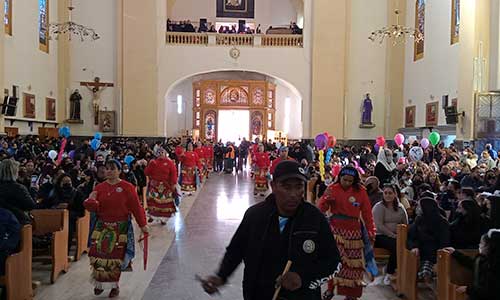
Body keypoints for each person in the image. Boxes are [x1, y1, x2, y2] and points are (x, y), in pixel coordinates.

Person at [200, 160, 341, 299]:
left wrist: (303, 278)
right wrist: (221, 276)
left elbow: (334, 261)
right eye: (286, 187)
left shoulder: (315, 219)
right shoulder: (255, 216)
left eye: (298, 187)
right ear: (273, 186)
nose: (293, 194)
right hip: (258, 293)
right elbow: (236, 250)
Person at [83, 160, 148, 298]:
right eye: (107, 169)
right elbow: (92, 207)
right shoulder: (99, 187)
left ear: (119, 170)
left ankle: (114, 285)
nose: (109, 171)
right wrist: (90, 202)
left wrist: (143, 225)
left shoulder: (127, 187)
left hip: (121, 226)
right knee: (98, 256)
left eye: (113, 169)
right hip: (102, 226)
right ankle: (99, 283)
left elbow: (136, 207)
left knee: (116, 258)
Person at [318, 166, 376, 300]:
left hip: (354, 231)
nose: (347, 183)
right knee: (335, 262)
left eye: (350, 181)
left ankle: (352, 294)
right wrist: (325, 197)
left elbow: (367, 213)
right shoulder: (333, 188)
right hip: (336, 230)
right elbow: (321, 208)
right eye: (345, 180)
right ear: (340, 178)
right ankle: (330, 289)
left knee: (354, 263)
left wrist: (371, 230)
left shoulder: (361, 191)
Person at [442, 229, 500, 300]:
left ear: (490, 246)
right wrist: (455, 253)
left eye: (482, 243)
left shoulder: (494, 266)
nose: (480, 245)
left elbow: (490, 290)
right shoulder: (483, 259)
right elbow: (472, 264)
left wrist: (468, 289)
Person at [372, 184, 408, 285]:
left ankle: (400, 270)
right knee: (396, 245)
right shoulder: (379, 207)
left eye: (390, 193)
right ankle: (390, 272)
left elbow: (405, 222)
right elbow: (379, 225)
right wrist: (392, 235)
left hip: (397, 235)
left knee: (406, 245)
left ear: (395, 194)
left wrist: (402, 234)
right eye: (385, 193)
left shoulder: (400, 207)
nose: (387, 195)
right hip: (379, 236)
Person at [407, 197, 450, 282]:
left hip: (435, 254)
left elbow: (444, 242)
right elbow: (411, 236)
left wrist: (439, 258)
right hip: (421, 252)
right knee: (421, 269)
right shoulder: (419, 219)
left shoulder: (442, 222)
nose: (417, 208)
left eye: (419, 206)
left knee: (427, 270)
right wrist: (414, 247)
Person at [41, 174, 86, 250]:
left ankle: (65, 248)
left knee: (68, 221)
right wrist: (56, 206)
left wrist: (68, 206)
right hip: (56, 215)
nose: (67, 184)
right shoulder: (54, 193)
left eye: (69, 182)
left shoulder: (77, 193)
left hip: (71, 216)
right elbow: (46, 204)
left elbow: (81, 208)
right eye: (64, 182)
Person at [144, 148, 178, 225]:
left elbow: (173, 174)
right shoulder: (153, 162)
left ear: (165, 153)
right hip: (154, 186)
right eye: (159, 153)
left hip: (166, 187)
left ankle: (163, 219)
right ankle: (152, 216)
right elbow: (146, 172)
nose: (161, 154)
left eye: (162, 152)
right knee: (152, 202)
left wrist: (173, 184)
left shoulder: (169, 163)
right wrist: (150, 165)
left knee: (165, 204)